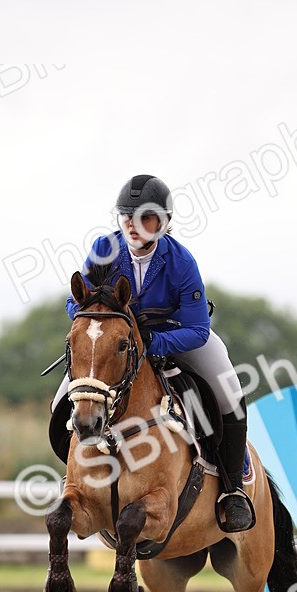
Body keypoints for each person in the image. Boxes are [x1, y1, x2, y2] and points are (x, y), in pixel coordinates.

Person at [53, 173, 255, 533]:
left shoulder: (181, 262)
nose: (134, 225)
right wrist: (105, 323)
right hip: (117, 342)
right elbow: (75, 302)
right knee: (64, 400)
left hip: (174, 337)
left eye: (145, 217)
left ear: (163, 222)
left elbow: (198, 330)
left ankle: (233, 488)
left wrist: (152, 343)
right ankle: (76, 477)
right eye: (127, 217)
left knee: (229, 390)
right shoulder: (105, 249)